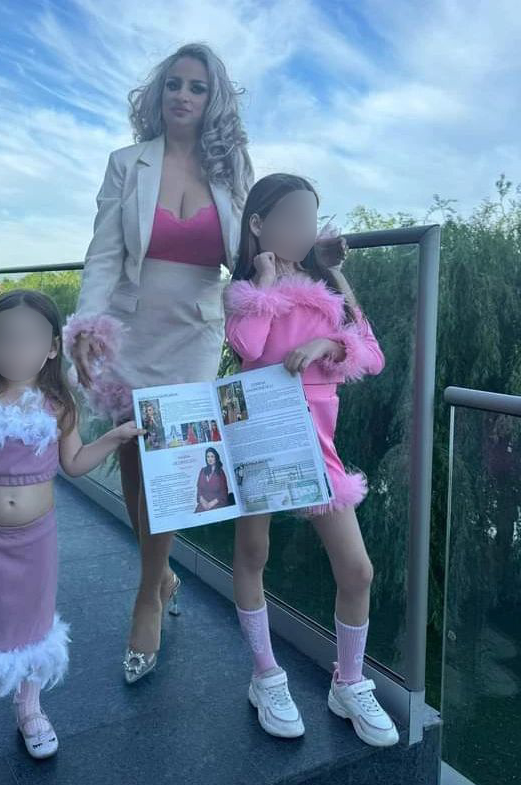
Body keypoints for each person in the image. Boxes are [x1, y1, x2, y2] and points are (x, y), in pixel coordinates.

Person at [64, 43, 346, 684]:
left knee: (170, 463)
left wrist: (312, 248)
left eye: (196, 87)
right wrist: (86, 325)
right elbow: (104, 254)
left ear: (212, 98)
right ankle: (160, 574)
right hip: (130, 331)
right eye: (174, 85)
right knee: (135, 466)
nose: (183, 96)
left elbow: (258, 241)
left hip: (193, 332)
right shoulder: (125, 163)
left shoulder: (230, 168)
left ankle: (144, 602)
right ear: (158, 95)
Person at [0, 289, 142, 785]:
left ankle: (30, 709)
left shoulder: (58, 406)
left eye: (29, 339)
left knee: (34, 626)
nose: (17, 348)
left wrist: (115, 437)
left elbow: (75, 463)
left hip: (37, 541)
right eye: (6, 339)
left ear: (51, 348)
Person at [223, 174, 399, 748]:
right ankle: (266, 675)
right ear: (259, 224)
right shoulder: (248, 289)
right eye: (292, 218)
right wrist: (267, 283)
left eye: (310, 219)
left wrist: (328, 341)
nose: (303, 230)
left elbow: (370, 356)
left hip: (317, 445)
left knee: (358, 570)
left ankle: (348, 681)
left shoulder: (327, 290)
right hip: (261, 435)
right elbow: (247, 346)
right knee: (253, 554)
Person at [195, 447, 230, 512]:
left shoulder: (220, 472)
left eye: (212, 456)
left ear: (216, 458)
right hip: (204, 503)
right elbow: (199, 489)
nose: (210, 459)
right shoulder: (202, 470)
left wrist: (210, 504)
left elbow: (224, 492)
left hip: (217, 503)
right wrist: (203, 502)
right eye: (208, 457)